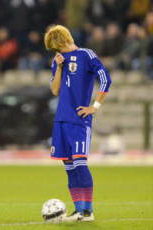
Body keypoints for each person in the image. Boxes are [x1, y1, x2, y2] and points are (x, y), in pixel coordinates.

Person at [44, 25, 112, 222]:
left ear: (67, 41)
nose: (59, 54)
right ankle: (79, 211)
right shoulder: (58, 61)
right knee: (70, 168)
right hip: (61, 120)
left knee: (81, 164)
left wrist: (95, 106)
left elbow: (105, 79)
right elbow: (55, 90)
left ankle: (88, 211)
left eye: (60, 49)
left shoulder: (86, 55)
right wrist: (57, 67)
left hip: (79, 121)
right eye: (55, 52)